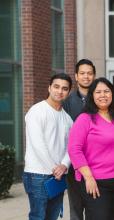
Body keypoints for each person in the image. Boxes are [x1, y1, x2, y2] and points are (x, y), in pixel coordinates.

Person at [68, 78, 114, 220]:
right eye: (98, 92)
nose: (103, 95)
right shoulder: (85, 119)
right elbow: (74, 149)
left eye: (106, 91)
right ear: (92, 96)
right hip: (97, 183)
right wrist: (88, 177)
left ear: (112, 94)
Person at [23, 73, 73, 220]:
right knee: (38, 216)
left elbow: (72, 145)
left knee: (52, 217)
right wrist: (55, 168)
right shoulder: (37, 111)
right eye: (56, 87)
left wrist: (64, 165)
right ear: (49, 88)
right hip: (37, 174)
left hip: (58, 176)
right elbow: (38, 144)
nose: (60, 91)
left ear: (69, 92)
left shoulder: (67, 119)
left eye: (64, 88)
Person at [63, 58, 96, 220]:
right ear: (76, 76)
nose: (86, 76)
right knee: (76, 209)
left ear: (94, 76)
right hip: (74, 164)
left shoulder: (100, 99)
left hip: (97, 162)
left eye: (89, 73)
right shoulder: (67, 102)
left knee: (95, 207)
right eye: (82, 73)